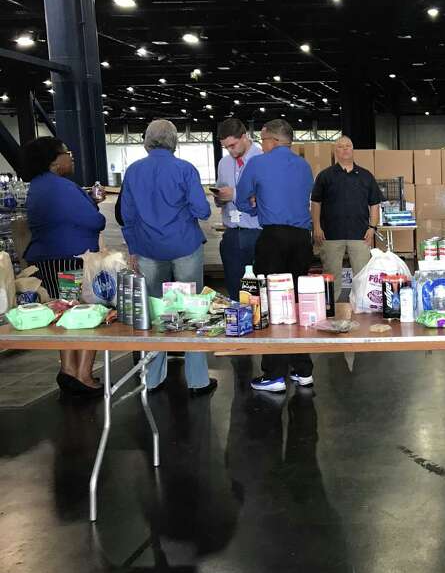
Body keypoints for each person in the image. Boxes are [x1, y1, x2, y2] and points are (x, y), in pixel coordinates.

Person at [119, 119, 217, 397]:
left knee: (153, 313)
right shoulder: (185, 169)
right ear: (174, 141)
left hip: (148, 249)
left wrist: (133, 248)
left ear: (147, 141)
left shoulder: (134, 171)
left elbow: (126, 215)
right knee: (192, 311)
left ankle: (152, 378)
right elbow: (202, 210)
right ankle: (198, 380)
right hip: (184, 246)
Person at [21, 137, 106, 396]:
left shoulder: (36, 187)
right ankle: (83, 374)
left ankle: (68, 369)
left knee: (64, 312)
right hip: (70, 261)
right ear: (55, 161)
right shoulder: (63, 187)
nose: (71, 157)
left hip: (47, 260)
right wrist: (95, 208)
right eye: (67, 153)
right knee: (85, 313)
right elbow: (95, 221)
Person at [235, 119, 315, 393]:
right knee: (296, 303)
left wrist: (256, 209)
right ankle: (302, 370)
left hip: (274, 239)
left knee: (271, 304)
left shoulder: (258, 163)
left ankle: (274, 374)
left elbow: (240, 198)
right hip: (302, 239)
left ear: (272, 140)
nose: (262, 145)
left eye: (263, 140)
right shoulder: (304, 166)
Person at [311, 135, 384, 298]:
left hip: (360, 235)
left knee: (362, 276)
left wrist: (372, 227)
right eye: (340, 146)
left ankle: (362, 308)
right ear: (335, 151)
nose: (344, 149)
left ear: (353, 149)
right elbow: (315, 203)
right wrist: (316, 226)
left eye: (348, 146)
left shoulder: (366, 176)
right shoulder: (325, 176)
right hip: (331, 235)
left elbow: (374, 204)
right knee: (331, 276)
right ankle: (332, 312)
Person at [212, 118, 262, 300]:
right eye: (226, 147)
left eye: (233, 145)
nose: (230, 150)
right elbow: (220, 188)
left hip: (258, 232)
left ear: (244, 136)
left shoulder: (262, 159)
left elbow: (263, 197)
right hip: (232, 234)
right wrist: (219, 198)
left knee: (259, 290)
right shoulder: (224, 163)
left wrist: (234, 195)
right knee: (235, 289)